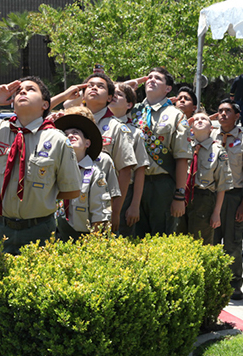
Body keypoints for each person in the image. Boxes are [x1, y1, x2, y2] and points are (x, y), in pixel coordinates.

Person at [0, 77, 81, 254]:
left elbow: (71, 189)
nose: (22, 91)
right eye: (19, 90)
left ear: (45, 105)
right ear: (12, 104)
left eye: (31, 89)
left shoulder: (57, 140)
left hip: (40, 228)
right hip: (0, 227)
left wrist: (41, 199)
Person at [131, 67, 191, 236]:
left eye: (157, 78)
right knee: (133, 237)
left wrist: (179, 195)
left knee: (161, 236)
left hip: (162, 185)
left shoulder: (176, 116)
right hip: (132, 183)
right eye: (149, 77)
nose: (151, 80)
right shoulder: (132, 112)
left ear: (168, 88)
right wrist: (131, 85)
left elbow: (182, 158)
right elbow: (110, 95)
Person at [211, 99, 243, 301]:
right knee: (211, 240)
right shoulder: (210, 136)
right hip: (212, 195)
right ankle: (211, 282)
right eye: (219, 111)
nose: (222, 114)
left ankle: (234, 284)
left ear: (237, 115)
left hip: (233, 196)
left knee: (232, 243)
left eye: (227, 111)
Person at [81, 72, 137, 232]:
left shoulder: (117, 127)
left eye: (100, 86)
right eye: (90, 86)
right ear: (83, 95)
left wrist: (115, 211)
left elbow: (125, 171)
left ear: (109, 97)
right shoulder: (71, 122)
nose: (94, 88)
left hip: (102, 204)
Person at [178, 110, 232, 245]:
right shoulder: (184, 147)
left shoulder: (218, 151)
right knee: (180, 241)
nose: (199, 121)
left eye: (204, 119)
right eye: (195, 120)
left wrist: (216, 213)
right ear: (190, 127)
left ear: (211, 128)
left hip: (204, 200)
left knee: (201, 243)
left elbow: (222, 185)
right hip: (182, 198)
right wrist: (186, 122)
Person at [55, 110, 111, 239]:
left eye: (75, 133)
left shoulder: (94, 173)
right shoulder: (55, 170)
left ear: (87, 143)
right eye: (65, 134)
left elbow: (99, 213)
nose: (70, 136)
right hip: (56, 235)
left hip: (82, 236)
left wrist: (95, 242)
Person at [109, 82, 150, 237]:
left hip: (124, 193)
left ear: (129, 104)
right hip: (98, 190)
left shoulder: (134, 133)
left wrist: (134, 205)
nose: (114, 97)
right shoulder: (97, 125)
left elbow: (140, 171)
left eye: (119, 95)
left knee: (120, 235)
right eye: (112, 94)